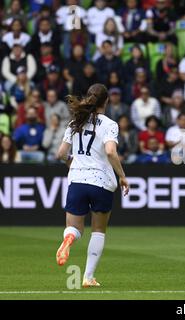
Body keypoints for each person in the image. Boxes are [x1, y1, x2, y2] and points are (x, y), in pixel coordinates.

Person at [55, 83, 130, 288]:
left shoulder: (75, 122)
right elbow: (111, 152)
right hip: (101, 183)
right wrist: (122, 176)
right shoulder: (109, 124)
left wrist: (74, 163)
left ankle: (69, 238)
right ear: (106, 101)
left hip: (77, 180)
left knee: (74, 228)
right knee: (98, 231)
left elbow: (60, 154)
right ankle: (88, 277)